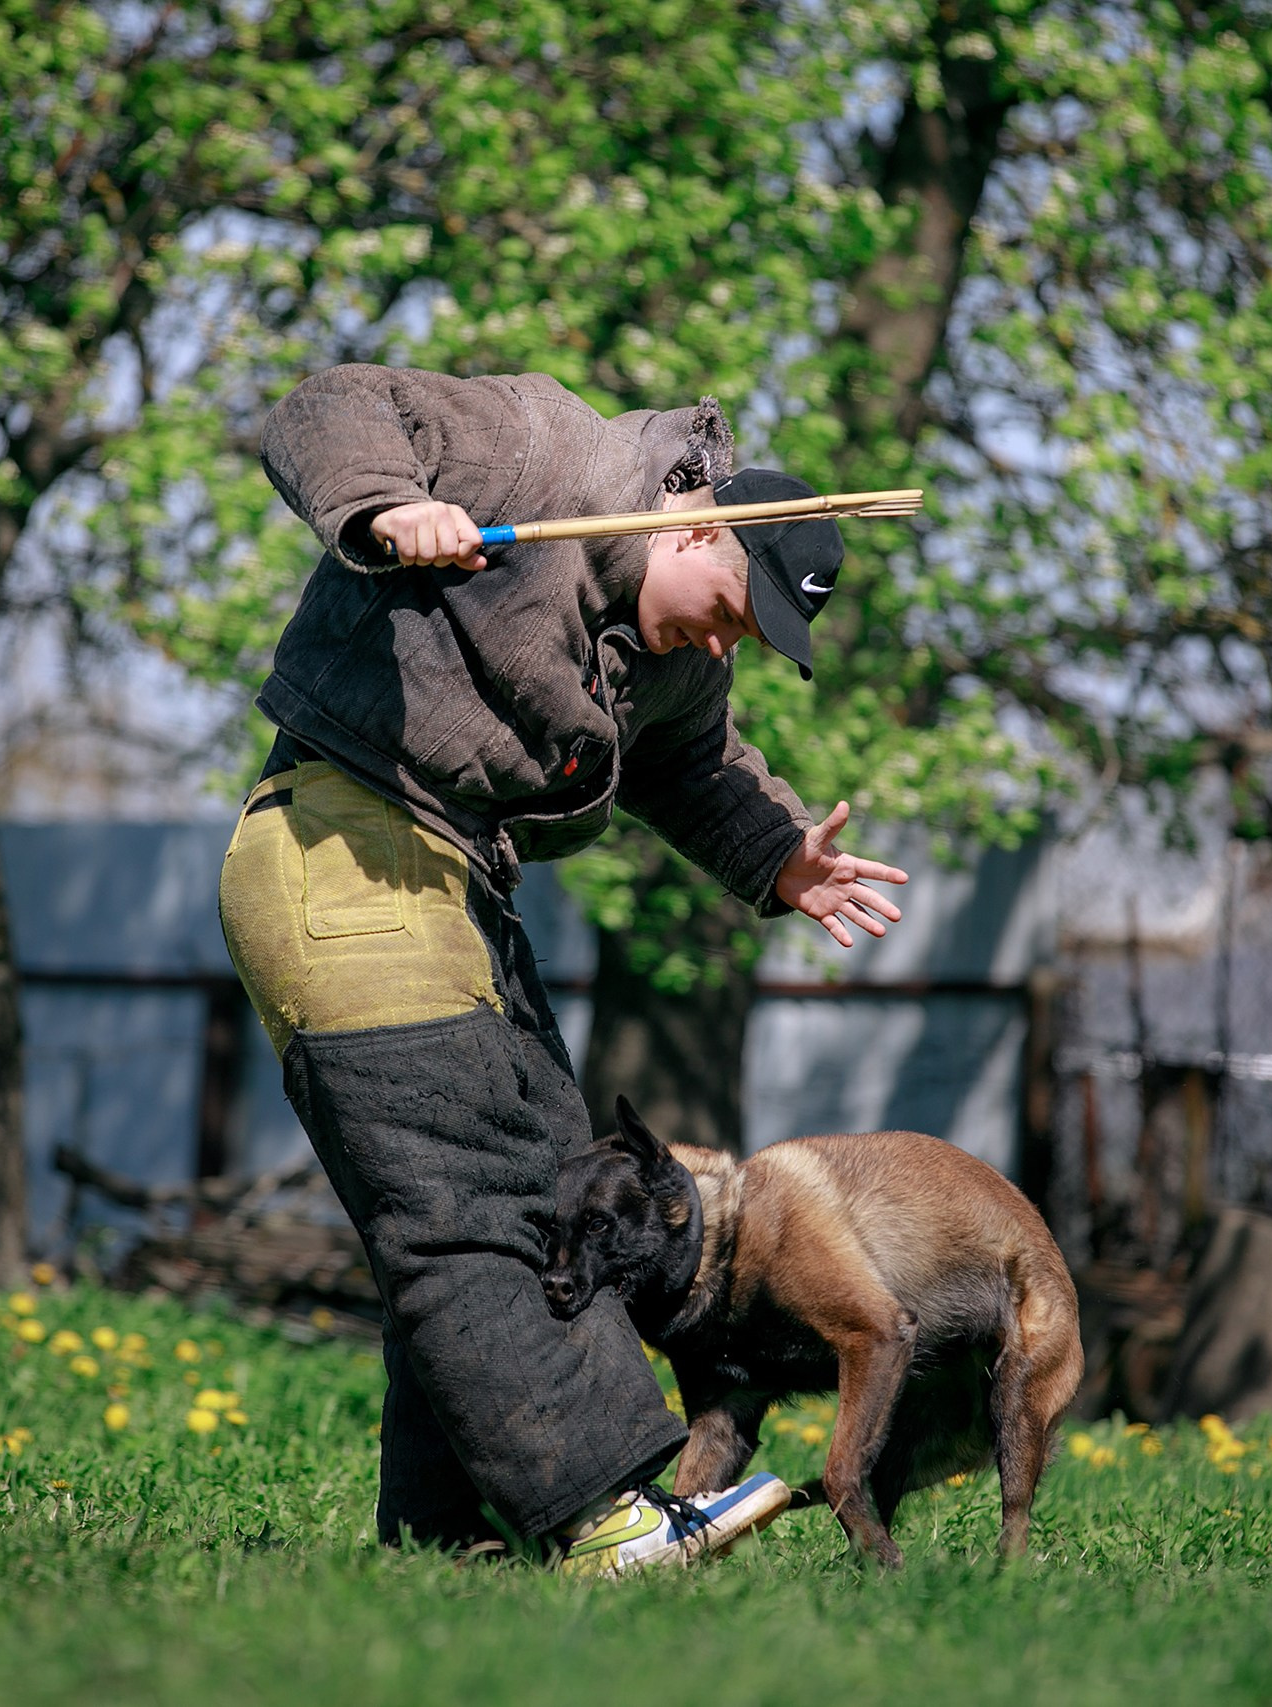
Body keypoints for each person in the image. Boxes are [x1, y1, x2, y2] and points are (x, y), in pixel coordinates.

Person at [217, 364, 909, 1574]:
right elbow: (324, 406)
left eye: (755, 636)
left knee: (545, 1189)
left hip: (456, 884)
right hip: (337, 842)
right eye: (734, 604)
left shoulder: (679, 655)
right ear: (698, 521)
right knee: (468, 1188)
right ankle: (599, 1520)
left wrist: (778, 859)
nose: (727, 636)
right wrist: (386, 508)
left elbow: (692, 764)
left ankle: (459, 1541)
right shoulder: (541, 450)